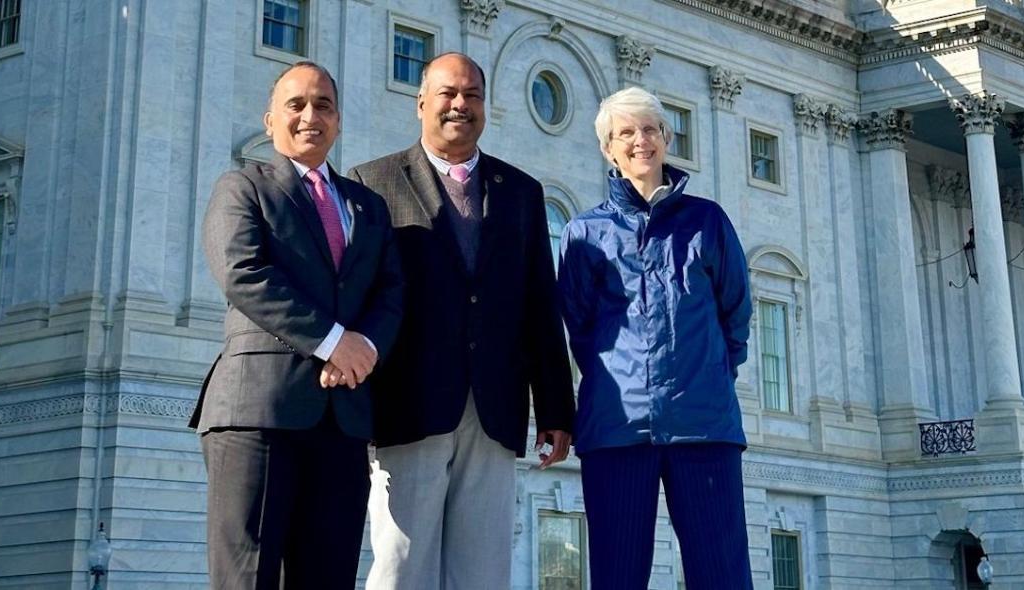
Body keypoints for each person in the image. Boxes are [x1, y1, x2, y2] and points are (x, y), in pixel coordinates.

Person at [347, 52, 576, 590]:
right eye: (448, 94)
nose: (460, 105)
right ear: (421, 102)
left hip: (494, 409)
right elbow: (359, 299)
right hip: (407, 405)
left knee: (483, 570)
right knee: (401, 565)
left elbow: (540, 305)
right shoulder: (372, 181)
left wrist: (556, 408)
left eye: (472, 95)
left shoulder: (521, 192)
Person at [190, 61, 403, 589]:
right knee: (248, 577)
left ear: (338, 123)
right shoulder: (242, 186)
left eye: (324, 106)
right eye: (297, 105)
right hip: (256, 413)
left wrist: (362, 351)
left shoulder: (368, 206)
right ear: (270, 121)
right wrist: (332, 343)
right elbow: (243, 272)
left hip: (343, 420)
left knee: (328, 577)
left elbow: (391, 291)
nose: (312, 116)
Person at [556, 86, 754, 589]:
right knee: (617, 576)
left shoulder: (707, 220)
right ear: (608, 148)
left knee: (722, 576)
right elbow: (578, 327)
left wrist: (706, 375)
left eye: (650, 129)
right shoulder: (583, 233)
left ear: (666, 138)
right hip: (616, 426)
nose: (640, 140)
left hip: (704, 426)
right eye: (626, 132)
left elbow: (737, 313)